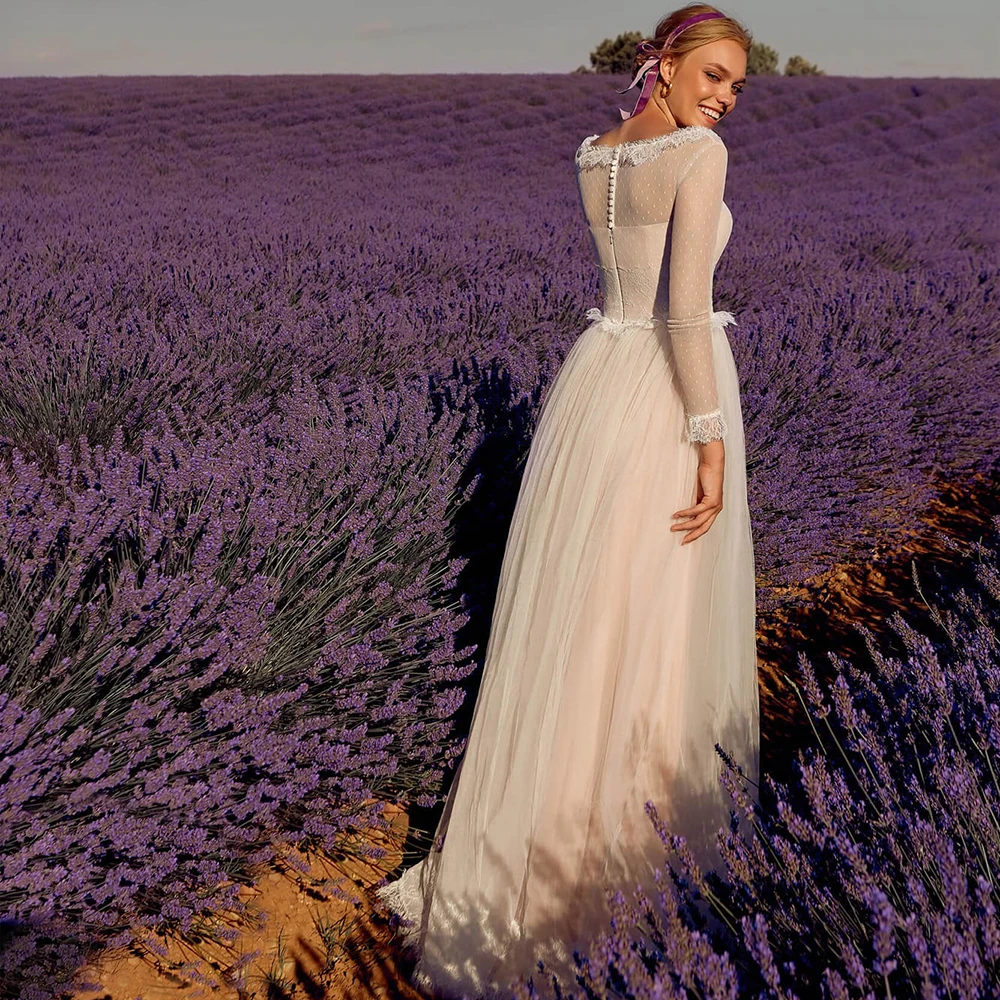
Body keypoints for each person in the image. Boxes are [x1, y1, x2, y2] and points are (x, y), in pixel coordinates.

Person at [375, 5, 760, 997]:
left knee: (577, 621)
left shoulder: (594, 154)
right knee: (646, 622)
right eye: (710, 74)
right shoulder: (695, 157)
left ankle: (533, 849)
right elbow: (681, 310)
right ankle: (618, 880)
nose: (721, 98)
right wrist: (709, 442)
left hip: (593, 382)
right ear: (664, 65)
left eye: (735, 86)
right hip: (663, 397)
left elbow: (629, 291)